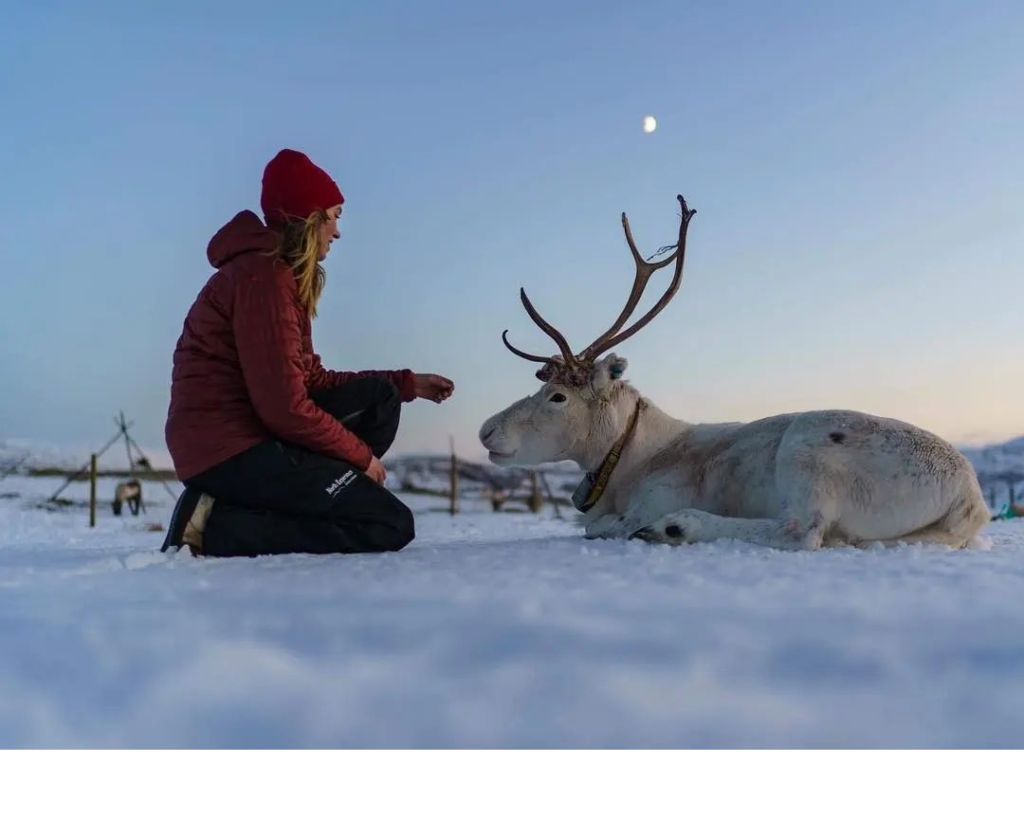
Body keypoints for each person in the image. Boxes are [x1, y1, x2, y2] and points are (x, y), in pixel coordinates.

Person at [161, 148, 454, 557]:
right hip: (228, 449)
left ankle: (280, 500)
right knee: (388, 523)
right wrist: (360, 457)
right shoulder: (264, 280)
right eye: (333, 217)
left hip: (245, 439)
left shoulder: (274, 275)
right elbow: (285, 407)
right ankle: (213, 526)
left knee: (381, 398)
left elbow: (310, 380)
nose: (337, 232)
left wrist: (406, 383)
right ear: (309, 219)